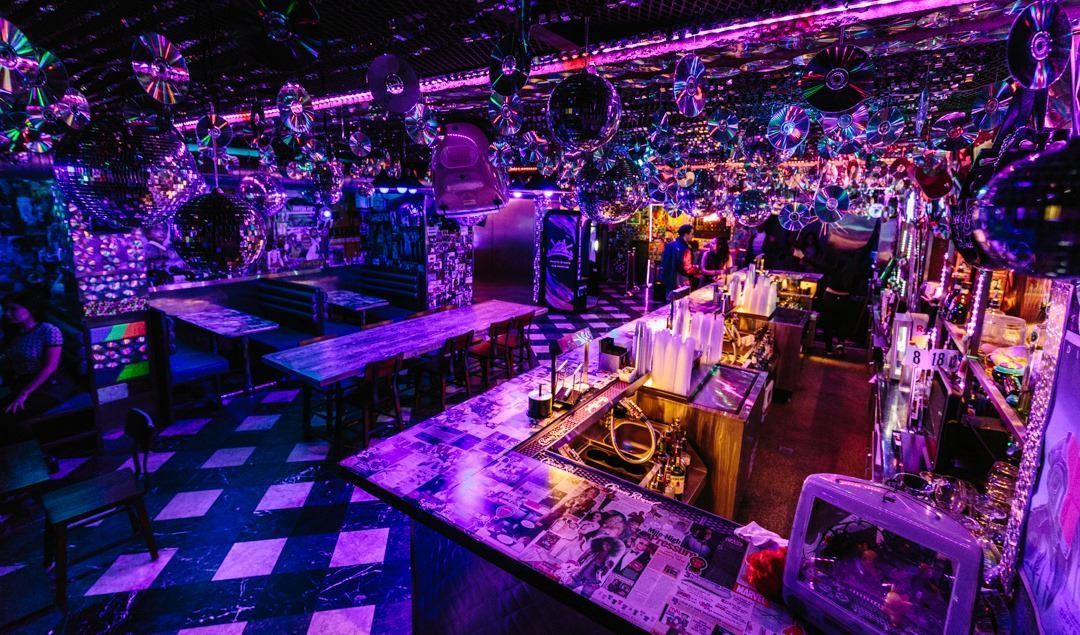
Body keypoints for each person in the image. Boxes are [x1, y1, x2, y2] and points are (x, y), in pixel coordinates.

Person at [0, 292, 75, 443]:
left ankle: (31, 450)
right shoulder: (15, 332)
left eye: (13, 309)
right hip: (25, 383)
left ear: (30, 309)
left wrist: (24, 394)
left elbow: (50, 367)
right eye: (5, 309)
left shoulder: (48, 330)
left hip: (50, 386)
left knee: (6, 415)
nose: (7, 314)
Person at [659, 224, 701, 297]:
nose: (692, 236)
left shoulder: (670, 245)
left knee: (669, 299)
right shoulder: (685, 249)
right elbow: (687, 268)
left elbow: (664, 261)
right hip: (680, 280)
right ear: (686, 234)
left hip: (668, 278)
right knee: (680, 300)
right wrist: (698, 269)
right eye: (692, 234)